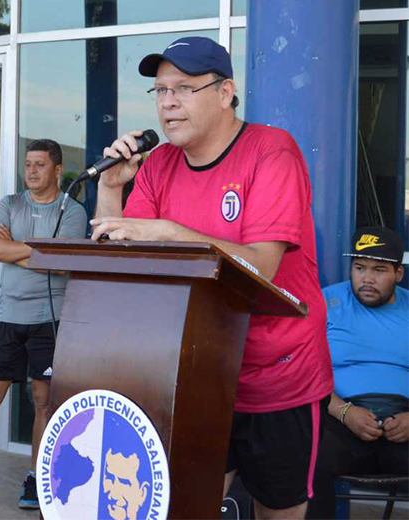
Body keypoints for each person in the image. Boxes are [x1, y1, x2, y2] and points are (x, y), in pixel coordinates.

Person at [89, 37, 332, 518]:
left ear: (225, 93)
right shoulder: (157, 163)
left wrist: (170, 231)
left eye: (183, 88)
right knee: (183, 506)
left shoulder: (271, 151)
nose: (168, 103)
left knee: (276, 511)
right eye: (159, 91)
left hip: (276, 375)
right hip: (194, 373)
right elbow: (123, 258)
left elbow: (261, 267)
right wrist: (111, 189)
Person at [0, 139, 87, 508]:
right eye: (28, 164)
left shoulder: (72, 211)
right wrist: (41, 248)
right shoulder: (9, 203)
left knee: (43, 402)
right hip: (8, 317)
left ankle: (38, 479)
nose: (32, 171)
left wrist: (18, 249)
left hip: (49, 320)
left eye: (40, 164)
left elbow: (64, 263)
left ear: (57, 170)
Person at [306, 226, 408, 519]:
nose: (367, 278)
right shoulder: (325, 302)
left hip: (403, 420)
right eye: (359, 267)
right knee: (309, 460)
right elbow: (306, 369)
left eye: (379, 270)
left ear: (398, 274)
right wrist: (343, 411)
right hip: (339, 417)